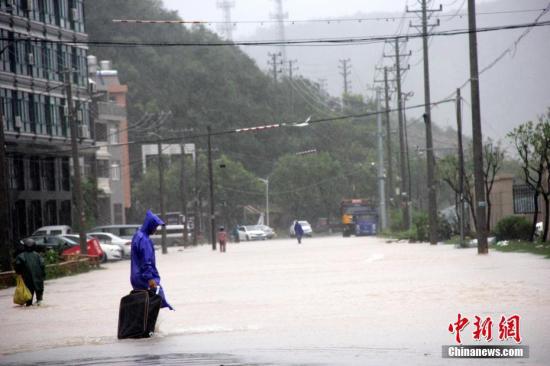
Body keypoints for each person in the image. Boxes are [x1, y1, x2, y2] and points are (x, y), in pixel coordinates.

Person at [131, 210, 173, 310]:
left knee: (143, 308)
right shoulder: (145, 240)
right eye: (155, 226)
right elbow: (146, 262)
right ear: (150, 225)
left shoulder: (137, 235)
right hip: (145, 280)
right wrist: (150, 279)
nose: (156, 229)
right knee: (152, 308)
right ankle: (150, 326)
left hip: (136, 278)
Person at [14, 238, 45, 306]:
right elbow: (42, 265)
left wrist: (18, 273)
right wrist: (42, 275)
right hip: (38, 279)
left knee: (28, 300)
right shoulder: (38, 255)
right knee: (39, 300)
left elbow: (17, 265)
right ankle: (38, 301)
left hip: (27, 280)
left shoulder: (21, 256)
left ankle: (29, 304)